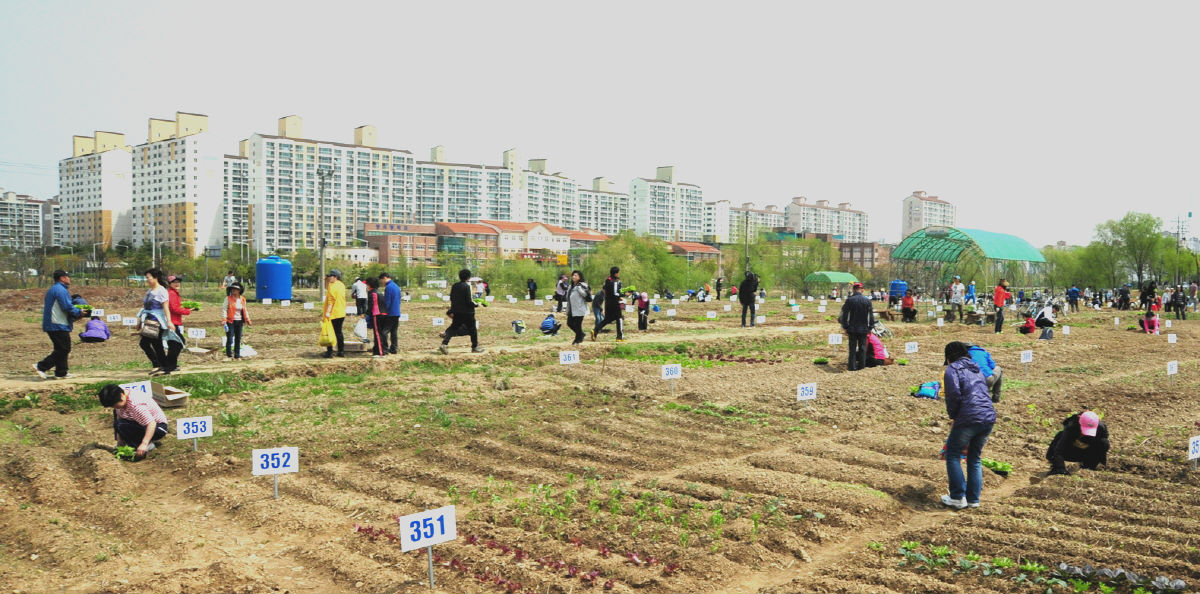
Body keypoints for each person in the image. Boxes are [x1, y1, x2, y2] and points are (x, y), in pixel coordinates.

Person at [940, 341, 997, 509]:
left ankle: (957, 497)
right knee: (974, 458)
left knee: (953, 454)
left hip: (968, 417)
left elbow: (954, 395)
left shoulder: (952, 370)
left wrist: (954, 416)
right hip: (988, 416)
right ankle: (973, 500)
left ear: (949, 356)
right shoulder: (976, 367)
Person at [33, 270, 83, 380]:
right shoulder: (60, 290)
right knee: (64, 349)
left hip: (56, 323)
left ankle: (61, 372)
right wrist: (79, 312)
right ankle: (41, 366)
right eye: (67, 276)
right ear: (62, 278)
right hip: (57, 324)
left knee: (61, 348)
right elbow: (67, 306)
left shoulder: (55, 289)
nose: (69, 279)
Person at [98, 384, 168, 461]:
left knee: (122, 425)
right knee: (119, 422)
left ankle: (147, 445)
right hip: (140, 424)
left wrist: (144, 444)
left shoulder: (136, 405)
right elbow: (118, 419)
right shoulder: (121, 399)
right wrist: (119, 440)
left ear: (121, 396)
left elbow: (151, 424)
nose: (115, 407)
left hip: (158, 428)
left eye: (115, 405)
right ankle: (132, 443)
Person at [138, 268, 177, 376]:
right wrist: (139, 322)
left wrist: (169, 321)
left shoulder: (161, 291)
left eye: (148, 277)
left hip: (156, 321)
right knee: (156, 344)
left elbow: (166, 307)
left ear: (155, 277)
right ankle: (163, 366)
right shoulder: (149, 291)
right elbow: (144, 308)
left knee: (146, 343)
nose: (147, 280)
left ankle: (159, 365)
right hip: (148, 320)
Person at [440, 269, 485, 354]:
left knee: (453, 328)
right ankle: (475, 347)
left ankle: (444, 344)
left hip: (457, 311)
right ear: (468, 277)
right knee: (473, 329)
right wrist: (476, 304)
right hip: (468, 313)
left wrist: (453, 309)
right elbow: (468, 301)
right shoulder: (466, 286)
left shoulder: (454, 286)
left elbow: (452, 298)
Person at [839, 282, 875, 371]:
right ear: (862, 290)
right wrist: (870, 327)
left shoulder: (849, 300)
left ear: (854, 289)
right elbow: (870, 316)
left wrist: (845, 326)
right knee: (863, 348)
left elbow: (845, 315)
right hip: (863, 328)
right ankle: (861, 366)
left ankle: (852, 366)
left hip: (852, 328)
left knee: (852, 348)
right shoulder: (867, 301)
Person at [162, 275, 192, 374]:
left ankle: (170, 364)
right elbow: (174, 308)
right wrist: (187, 311)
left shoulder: (174, 293)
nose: (177, 284)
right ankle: (169, 365)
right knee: (178, 343)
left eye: (178, 282)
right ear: (170, 284)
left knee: (174, 344)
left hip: (174, 322)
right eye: (174, 282)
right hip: (172, 322)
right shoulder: (171, 294)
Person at [592, 266, 625, 341]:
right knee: (619, 318)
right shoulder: (615, 281)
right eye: (618, 272)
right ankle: (620, 337)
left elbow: (607, 291)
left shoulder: (607, 280)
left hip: (608, 303)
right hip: (614, 303)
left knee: (607, 319)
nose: (619, 274)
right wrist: (623, 294)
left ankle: (595, 331)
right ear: (616, 273)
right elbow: (615, 293)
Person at [223, 282, 251, 359]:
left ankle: (237, 355)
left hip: (239, 321)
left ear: (239, 290)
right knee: (230, 338)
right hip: (230, 321)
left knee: (238, 338)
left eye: (235, 289)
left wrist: (247, 319)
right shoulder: (228, 298)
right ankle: (229, 355)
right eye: (232, 289)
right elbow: (224, 309)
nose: (233, 290)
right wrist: (224, 318)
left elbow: (245, 309)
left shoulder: (242, 299)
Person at [323, 270, 347, 358]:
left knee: (330, 332)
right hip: (341, 312)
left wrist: (328, 312)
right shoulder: (341, 285)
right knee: (339, 332)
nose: (329, 278)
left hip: (333, 313)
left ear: (335, 277)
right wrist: (326, 281)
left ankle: (329, 352)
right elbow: (329, 290)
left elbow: (331, 300)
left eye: (330, 276)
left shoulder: (332, 285)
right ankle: (341, 351)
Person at [564, 270, 591, 345]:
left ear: (580, 277)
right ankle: (581, 334)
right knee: (569, 323)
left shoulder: (583, 285)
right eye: (573, 275)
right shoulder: (571, 286)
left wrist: (579, 288)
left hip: (580, 308)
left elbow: (585, 295)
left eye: (576, 275)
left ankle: (577, 339)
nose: (573, 277)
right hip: (571, 309)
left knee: (577, 325)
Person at [379, 272, 401, 355]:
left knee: (384, 332)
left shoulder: (388, 287)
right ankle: (394, 349)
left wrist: (383, 312)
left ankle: (385, 349)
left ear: (384, 278)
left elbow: (387, 302)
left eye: (381, 281)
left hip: (390, 313)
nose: (382, 283)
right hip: (396, 312)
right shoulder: (396, 286)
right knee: (394, 332)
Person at [363, 277, 385, 357]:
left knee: (377, 334)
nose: (366, 286)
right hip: (383, 314)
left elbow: (372, 305)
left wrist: (366, 314)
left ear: (370, 285)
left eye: (366, 284)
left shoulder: (372, 293)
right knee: (380, 333)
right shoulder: (379, 292)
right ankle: (378, 350)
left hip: (377, 314)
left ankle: (380, 352)